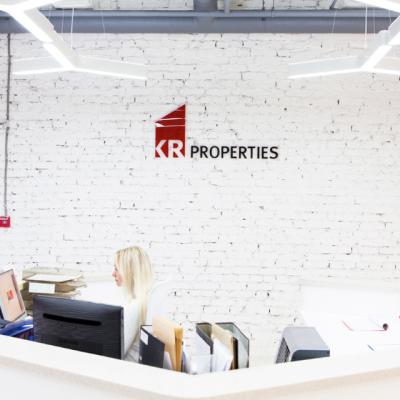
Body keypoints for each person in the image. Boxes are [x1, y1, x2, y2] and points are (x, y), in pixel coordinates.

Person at [112, 246, 154, 362]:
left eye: (116, 269)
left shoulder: (134, 307)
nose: (113, 273)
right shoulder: (145, 299)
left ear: (128, 272)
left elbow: (115, 353)